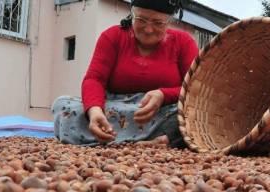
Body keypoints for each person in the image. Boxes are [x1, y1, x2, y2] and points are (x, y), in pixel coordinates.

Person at [52, 0, 199, 147]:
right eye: (141, 20)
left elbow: (194, 89)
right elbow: (94, 79)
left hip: (162, 113)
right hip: (116, 108)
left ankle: (165, 139)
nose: (148, 29)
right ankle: (158, 140)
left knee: (194, 114)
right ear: (132, 15)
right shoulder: (112, 36)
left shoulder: (184, 42)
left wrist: (163, 95)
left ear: (169, 22)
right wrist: (95, 111)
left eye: (158, 23)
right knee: (64, 105)